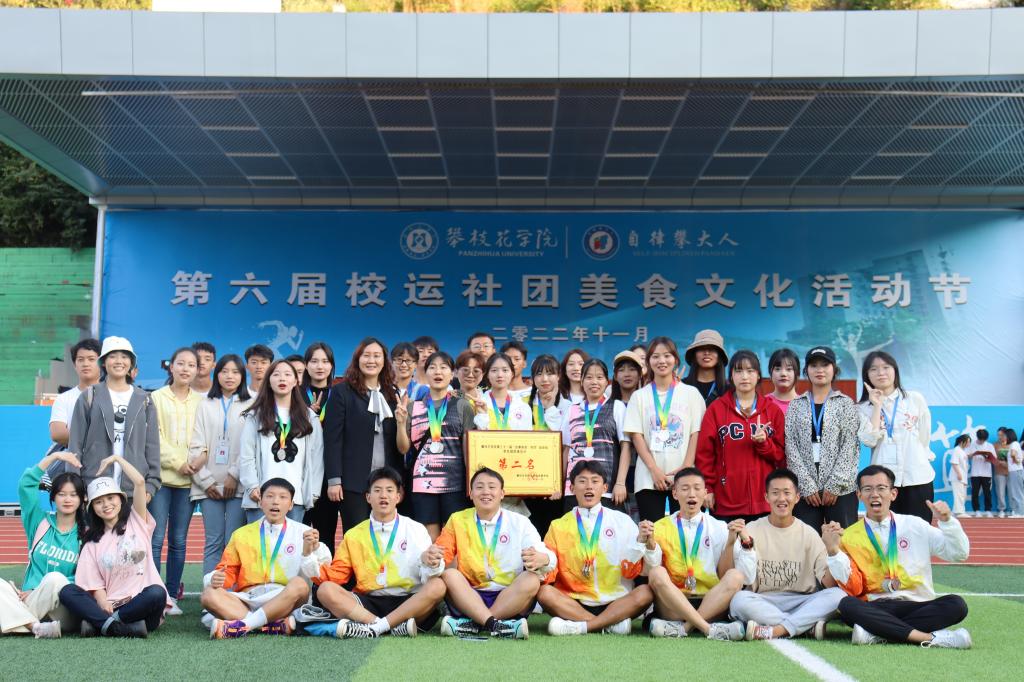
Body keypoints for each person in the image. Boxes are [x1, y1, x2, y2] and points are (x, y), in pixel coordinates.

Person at [824, 465, 972, 649]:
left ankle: (877, 633)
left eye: (881, 488)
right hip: (876, 606)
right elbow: (853, 587)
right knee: (847, 605)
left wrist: (947, 522)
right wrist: (833, 551)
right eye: (868, 489)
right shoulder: (848, 536)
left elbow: (959, 554)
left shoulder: (915, 525)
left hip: (918, 603)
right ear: (859, 495)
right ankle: (929, 637)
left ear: (893, 493)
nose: (875, 494)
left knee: (956, 604)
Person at [305, 466, 446, 638]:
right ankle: (385, 625)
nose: (383, 495)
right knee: (326, 590)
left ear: (398, 497)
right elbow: (336, 576)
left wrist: (428, 562)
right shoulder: (354, 535)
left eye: (389, 490)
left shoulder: (416, 529)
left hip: (408, 601)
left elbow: (427, 577)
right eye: (377, 490)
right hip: (369, 602)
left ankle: (375, 628)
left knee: (438, 586)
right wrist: (309, 554)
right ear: (368, 497)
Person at [429, 467, 555, 639]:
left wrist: (544, 558)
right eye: (479, 487)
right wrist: (431, 559)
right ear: (471, 493)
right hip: (470, 596)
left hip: (509, 596)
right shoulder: (457, 519)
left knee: (531, 579)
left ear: (502, 493)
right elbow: (440, 557)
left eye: (492, 487)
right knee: (450, 575)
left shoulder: (520, 522)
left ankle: (474, 624)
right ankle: (497, 626)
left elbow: (543, 554)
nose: (486, 492)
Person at [203, 478, 329, 638]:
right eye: (269, 496)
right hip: (248, 598)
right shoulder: (241, 534)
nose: (275, 501)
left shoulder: (304, 532)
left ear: (291, 505)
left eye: (282, 497)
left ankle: (245, 625)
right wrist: (216, 578)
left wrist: (314, 549)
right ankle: (271, 626)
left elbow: (323, 570)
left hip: (285, 597)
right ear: (260, 502)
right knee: (209, 595)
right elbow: (227, 572)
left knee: (300, 585)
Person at [58, 456, 169, 637]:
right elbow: (94, 585)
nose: (106, 505)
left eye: (110, 498)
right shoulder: (91, 542)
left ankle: (103, 624)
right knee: (67, 591)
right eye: (99, 502)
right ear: (93, 508)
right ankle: (118, 627)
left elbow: (140, 482)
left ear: (120, 499)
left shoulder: (137, 521)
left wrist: (117, 459)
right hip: (109, 606)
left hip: (139, 606)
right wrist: (103, 603)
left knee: (157, 592)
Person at [538, 461, 653, 636]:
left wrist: (642, 543)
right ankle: (608, 624)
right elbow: (550, 573)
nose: (588, 486)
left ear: (604, 487)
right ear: (572, 487)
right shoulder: (558, 526)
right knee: (545, 593)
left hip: (617, 601)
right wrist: (542, 561)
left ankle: (581, 626)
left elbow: (633, 571)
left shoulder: (622, 521)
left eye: (595, 481)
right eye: (582, 481)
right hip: (573, 602)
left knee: (645, 592)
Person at [730, 468, 845, 641]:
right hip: (763, 600)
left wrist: (832, 548)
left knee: (838, 596)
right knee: (739, 600)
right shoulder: (751, 529)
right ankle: (805, 627)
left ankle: (776, 630)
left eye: (787, 493)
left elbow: (829, 584)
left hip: (802, 602)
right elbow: (743, 579)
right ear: (766, 497)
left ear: (797, 497)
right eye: (775, 493)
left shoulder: (809, 533)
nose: (781, 498)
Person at [642, 468, 746, 641]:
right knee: (656, 572)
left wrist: (730, 543)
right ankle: (709, 629)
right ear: (675, 493)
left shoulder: (719, 527)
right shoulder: (659, 527)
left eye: (697, 488)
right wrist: (650, 544)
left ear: (705, 493)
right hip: (673, 604)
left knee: (736, 576)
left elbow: (724, 575)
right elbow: (650, 573)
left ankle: (684, 629)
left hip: (710, 603)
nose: (692, 494)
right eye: (685, 488)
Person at [322, 338, 403, 542]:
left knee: (385, 537)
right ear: (357, 359)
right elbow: (332, 439)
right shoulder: (342, 392)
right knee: (356, 537)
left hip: (386, 480)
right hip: (353, 481)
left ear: (384, 361)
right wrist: (334, 480)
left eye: (377, 356)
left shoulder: (392, 393)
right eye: (366, 355)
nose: (371, 360)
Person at [0, 452, 86, 637]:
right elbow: (26, 485)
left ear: (81, 499)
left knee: (55, 579)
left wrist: (38, 590)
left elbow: (86, 579)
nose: (67, 499)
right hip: (31, 602)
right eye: (61, 494)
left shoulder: (86, 534)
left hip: (63, 609)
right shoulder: (39, 522)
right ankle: (36, 627)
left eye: (73, 495)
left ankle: (15, 619)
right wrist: (54, 457)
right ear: (53, 497)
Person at [695, 350, 785, 523]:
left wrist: (764, 444)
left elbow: (781, 456)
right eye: (738, 371)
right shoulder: (716, 409)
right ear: (731, 376)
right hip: (726, 501)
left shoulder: (772, 411)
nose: (744, 376)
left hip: (764, 501)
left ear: (758, 375)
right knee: (727, 542)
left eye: (750, 371)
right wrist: (708, 488)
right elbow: (704, 454)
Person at [69, 336, 161, 501]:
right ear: (103, 362)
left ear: (131, 363)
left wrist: (150, 485)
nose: (119, 361)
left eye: (124, 357)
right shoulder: (89, 396)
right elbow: (75, 444)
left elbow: (152, 445)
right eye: (112, 356)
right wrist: (76, 485)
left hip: (134, 488)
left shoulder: (144, 399)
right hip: (96, 487)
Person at [396, 351, 476, 539]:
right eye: (432, 367)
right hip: (423, 482)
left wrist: (471, 481)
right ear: (425, 373)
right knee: (428, 539)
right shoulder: (412, 407)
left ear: (452, 374)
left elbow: (468, 449)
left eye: (443, 367)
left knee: (452, 538)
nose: (438, 372)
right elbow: (403, 448)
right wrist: (400, 423)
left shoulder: (463, 406)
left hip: (455, 482)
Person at [624, 337, 705, 522]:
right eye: (655, 356)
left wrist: (686, 468)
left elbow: (696, 433)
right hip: (648, 479)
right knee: (653, 533)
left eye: (667, 356)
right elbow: (637, 436)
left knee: (686, 531)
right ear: (648, 362)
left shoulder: (691, 394)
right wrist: (654, 470)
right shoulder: (639, 396)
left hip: (685, 481)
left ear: (675, 359)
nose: (662, 361)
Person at [188, 354, 253, 575]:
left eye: (235, 372)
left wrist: (234, 475)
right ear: (217, 375)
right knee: (213, 542)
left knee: (233, 542)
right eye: (224, 371)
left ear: (242, 376)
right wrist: (206, 482)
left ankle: (231, 591)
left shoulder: (252, 404)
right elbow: (195, 445)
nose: (229, 376)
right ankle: (210, 592)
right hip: (210, 487)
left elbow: (251, 447)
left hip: (238, 485)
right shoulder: (204, 404)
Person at [149, 346, 202, 613]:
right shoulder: (156, 398)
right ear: (171, 366)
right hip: (161, 480)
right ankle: (152, 594)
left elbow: (205, 437)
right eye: (180, 363)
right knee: (156, 538)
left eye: (191, 365)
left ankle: (171, 596)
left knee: (179, 540)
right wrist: (178, 462)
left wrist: (196, 461)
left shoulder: (202, 401)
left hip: (189, 482)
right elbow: (153, 437)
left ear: (197, 370)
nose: (185, 369)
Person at [239, 360, 324, 524]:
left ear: (296, 381)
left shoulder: (309, 417)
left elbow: (317, 457)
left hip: (296, 498)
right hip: (260, 496)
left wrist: (313, 492)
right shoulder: (256, 416)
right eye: (276, 375)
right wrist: (251, 486)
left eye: (287, 374)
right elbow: (246, 455)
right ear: (268, 381)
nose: (282, 379)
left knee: (290, 541)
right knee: (259, 540)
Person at [785, 347, 860, 529]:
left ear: (834, 369)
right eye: (814, 366)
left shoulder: (845, 403)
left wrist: (835, 484)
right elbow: (790, 446)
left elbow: (850, 446)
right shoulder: (796, 405)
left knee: (843, 540)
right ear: (806, 371)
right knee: (807, 541)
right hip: (806, 492)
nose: (819, 370)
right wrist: (806, 485)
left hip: (841, 490)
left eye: (825, 365)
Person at [858, 351, 934, 522]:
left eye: (886, 367)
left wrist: (921, 457)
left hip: (917, 476)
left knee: (919, 531)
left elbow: (925, 434)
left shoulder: (914, 399)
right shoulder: (862, 408)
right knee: (885, 532)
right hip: (882, 484)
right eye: (874, 369)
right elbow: (870, 441)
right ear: (867, 375)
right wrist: (877, 405)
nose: (881, 373)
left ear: (895, 370)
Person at [560, 359, 629, 512]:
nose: (594, 382)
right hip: (574, 489)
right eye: (589, 377)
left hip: (607, 488)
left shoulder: (616, 406)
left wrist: (620, 483)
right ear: (582, 381)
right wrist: (559, 484)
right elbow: (566, 450)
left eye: (599, 377)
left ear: (607, 381)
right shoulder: (572, 410)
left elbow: (626, 447)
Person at [300, 342, 341, 547]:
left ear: (332, 365)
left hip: (330, 474)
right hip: (302, 473)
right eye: (314, 361)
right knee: (299, 532)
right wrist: (309, 416)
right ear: (306, 365)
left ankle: (324, 568)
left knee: (326, 535)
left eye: (325, 361)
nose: (320, 366)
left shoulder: (340, 394)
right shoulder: (295, 394)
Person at [525, 353, 567, 537]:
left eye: (550, 373)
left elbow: (565, 443)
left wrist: (550, 409)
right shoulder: (523, 405)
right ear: (532, 378)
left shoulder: (568, 406)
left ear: (559, 376)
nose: (544, 379)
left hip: (555, 482)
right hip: (526, 478)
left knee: (552, 532)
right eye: (539, 374)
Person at [48, 338, 101, 447]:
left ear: (102, 363)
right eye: (80, 360)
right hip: (73, 456)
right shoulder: (63, 399)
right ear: (74, 365)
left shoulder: (113, 396)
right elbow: (58, 434)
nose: (85, 364)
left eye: (91, 359)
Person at [611, 350, 645, 518]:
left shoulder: (647, 403)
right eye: (622, 370)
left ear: (640, 374)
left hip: (642, 472)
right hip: (614, 474)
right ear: (615, 376)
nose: (627, 374)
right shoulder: (609, 406)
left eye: (632, 369)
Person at [474, 353, 533, 431]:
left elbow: (528, 437)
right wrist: (482, 415)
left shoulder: (523, 407)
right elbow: (476, 436)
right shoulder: (479, 403)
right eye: (494, 370)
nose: (500, 375)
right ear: (487, 374)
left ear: (512, 374)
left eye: (505, 370)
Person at [681, 329, 727, 407]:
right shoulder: (681, 386)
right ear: (694, 354)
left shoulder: (729, 389)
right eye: (701, 348)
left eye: (712, 349)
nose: (706, 352)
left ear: (719, 355)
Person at [967, 429, 995, 517]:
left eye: (983, 439)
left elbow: (994, 458)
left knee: (987, 492)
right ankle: (976, 510)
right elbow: (967, 456)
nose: (982, 441)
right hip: (975, 473)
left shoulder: (989, 446)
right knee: (975, 492)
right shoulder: (972, 445)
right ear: (977, 437)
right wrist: (973, 454)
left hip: (987, 473)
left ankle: (988, 510)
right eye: (980, 439)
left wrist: (988, 458)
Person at [764, 348, 800, 415]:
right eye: (777, 369)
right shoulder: (762, 404)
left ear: (797, 374)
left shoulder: (805, 405)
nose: (783, 373)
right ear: (770, 373)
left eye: (789, 369)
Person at [948, 434, 971, 518]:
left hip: (962, 477)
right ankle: (959, 512)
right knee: (959, 495)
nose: (969, 444)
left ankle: (956, 511)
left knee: (962, 494)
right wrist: (959, 474)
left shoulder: (962, 451)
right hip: (957, 477)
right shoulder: (957, 450)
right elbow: (954, 463)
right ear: (962, 442)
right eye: (968, 442)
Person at [993, 427, 1013, 518]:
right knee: (1000, 492)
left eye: (1001, 435)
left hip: (1011, 472)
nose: (999, 437)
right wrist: (997, 461)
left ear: (1006, 435)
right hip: (999, 472)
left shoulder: (1012, 445)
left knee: (1012, 492)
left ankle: (1013, 509)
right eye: (998, 435)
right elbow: (992, 458)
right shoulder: (995, 445)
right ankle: (1001, 509)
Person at [1006, 428, 1024, 518]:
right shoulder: (1016, 444)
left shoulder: (1014, 444)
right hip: (1015, 471)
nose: (1004, 438)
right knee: (1016, 491)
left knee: (1017, 492)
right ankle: (1018, 511)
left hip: (1015, 471)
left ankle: (1020, 512)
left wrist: (1016, 460)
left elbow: (1013, 454)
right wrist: (1018, 460)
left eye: (1005, 436)